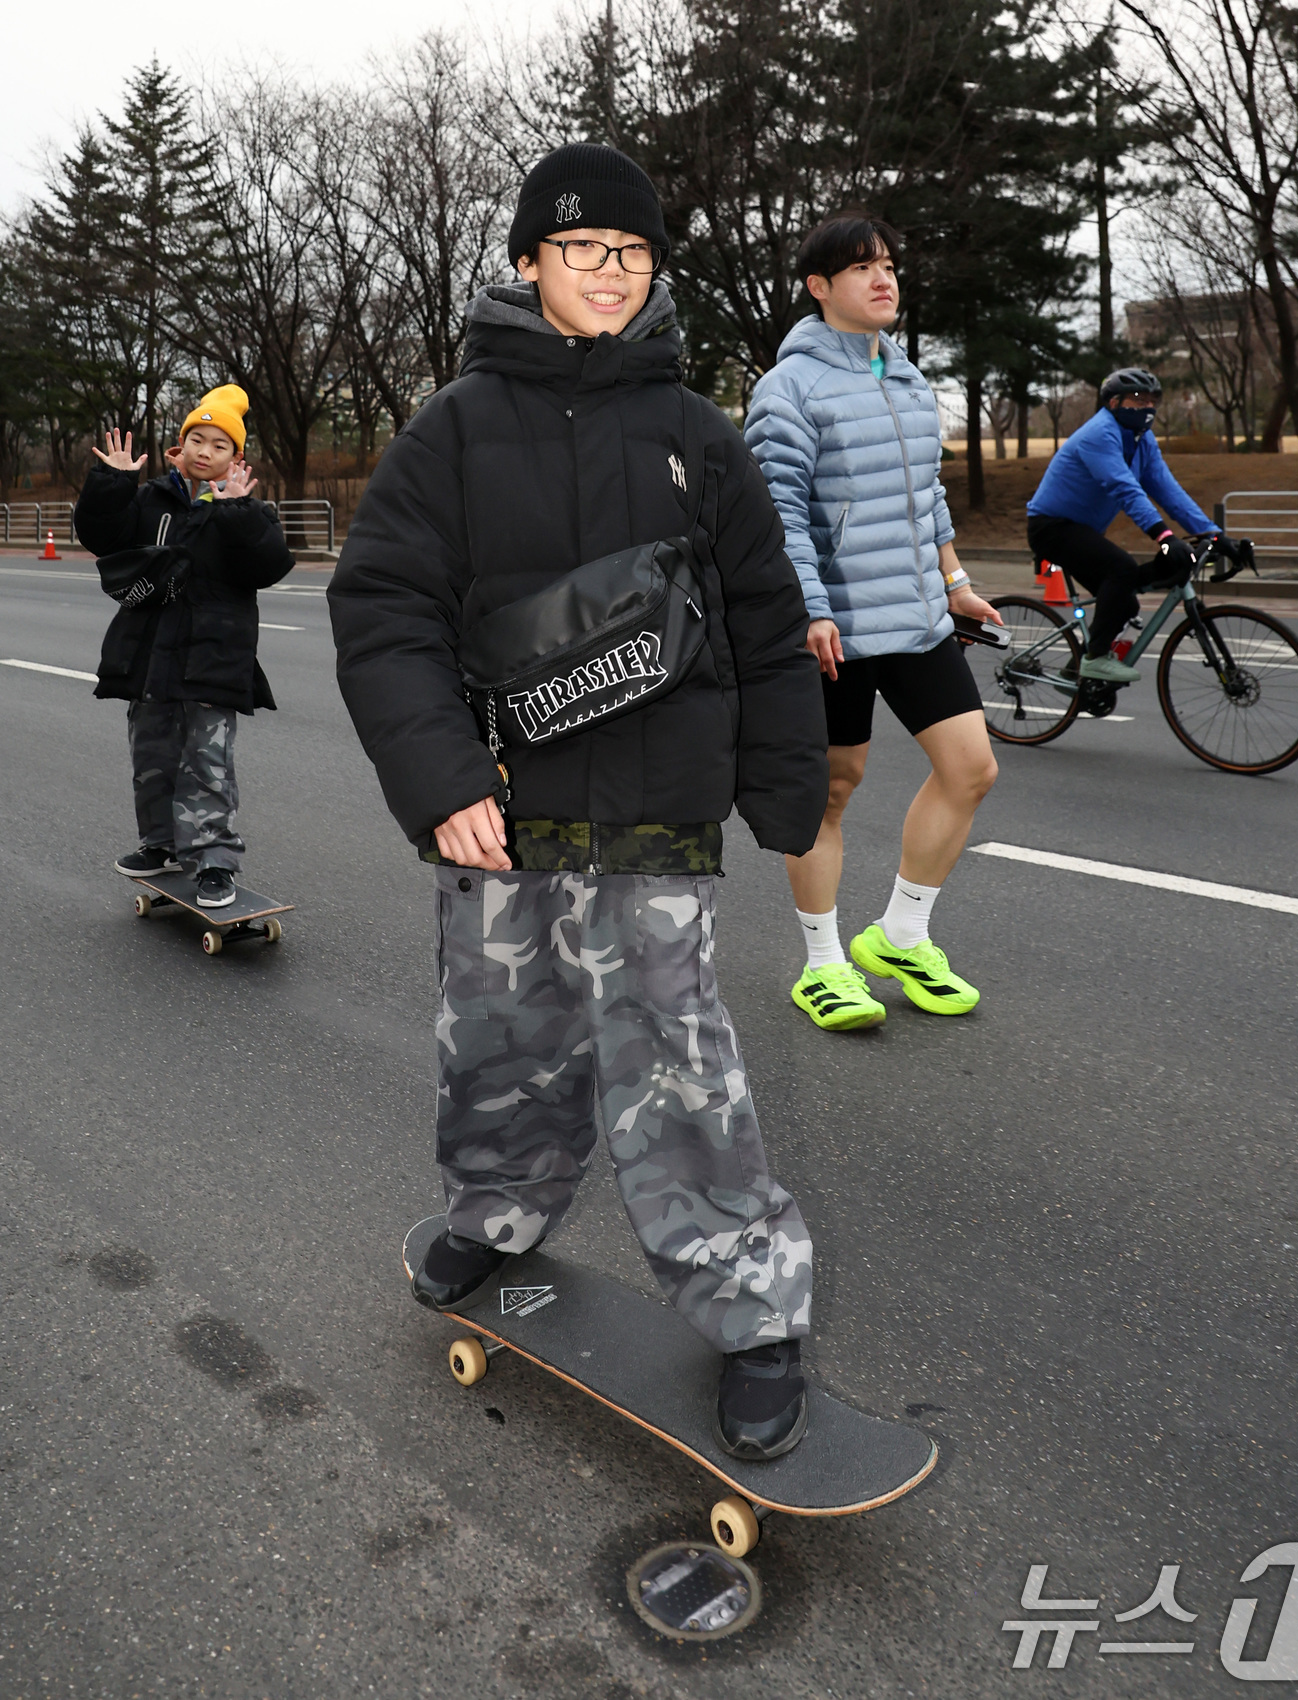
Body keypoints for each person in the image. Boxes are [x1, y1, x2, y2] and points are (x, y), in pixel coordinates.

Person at [328, 144, 829, 1462]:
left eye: (633, 254)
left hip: (661, 813)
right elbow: (386, 615)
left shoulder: (698, 436)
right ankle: (492, 1218)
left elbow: (768, 624)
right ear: (528, 263)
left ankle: (753, 1308)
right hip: (506, 805)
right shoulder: (454, 430)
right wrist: (441, 783)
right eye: (582, 249)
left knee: (678, 1061)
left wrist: (786, 783)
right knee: (502, 1039)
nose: (610, 273)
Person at [744, 214, 1000, 1035]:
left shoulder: (908, 379)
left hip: (918, 615)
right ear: (820, 289)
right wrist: (810, 610)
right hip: (837, 627)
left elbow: (925, 496)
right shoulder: (790, 389)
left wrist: (954, 581)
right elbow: (777, 513)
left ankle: (899, 935)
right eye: (862, 269)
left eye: (889, 265)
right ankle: (823, 964)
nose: (884, 279)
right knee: (830, 792)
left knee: (970, 769)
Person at [75, 387, 293, 908]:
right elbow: (103, 536)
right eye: (196, 437)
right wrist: (114, 484)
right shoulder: (151, 498)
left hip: (214, 658)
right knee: (151, 754)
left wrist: (237, 511)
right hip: (150, 653)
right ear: (180, 444)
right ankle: (161, 844)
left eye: (219, 445)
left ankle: (214, 863)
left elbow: (269, 565)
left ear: (235, 459)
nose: (205, 450)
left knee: (207, 763)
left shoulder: (246, 510)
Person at [1026, 368, 1242, 683]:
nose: (1147, 407)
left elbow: (1169, 491)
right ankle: (1096, 658)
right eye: (1138, 400)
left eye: (1153, 400)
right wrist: (1165, 537)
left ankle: (1077, 672)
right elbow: (1125, 489)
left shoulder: (1143, 440)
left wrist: (1215, 535)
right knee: (1122, 569)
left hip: (1080, 529)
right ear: (1114, 402)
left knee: (1125, 601)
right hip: (1051, 527)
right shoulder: (1099, 433)